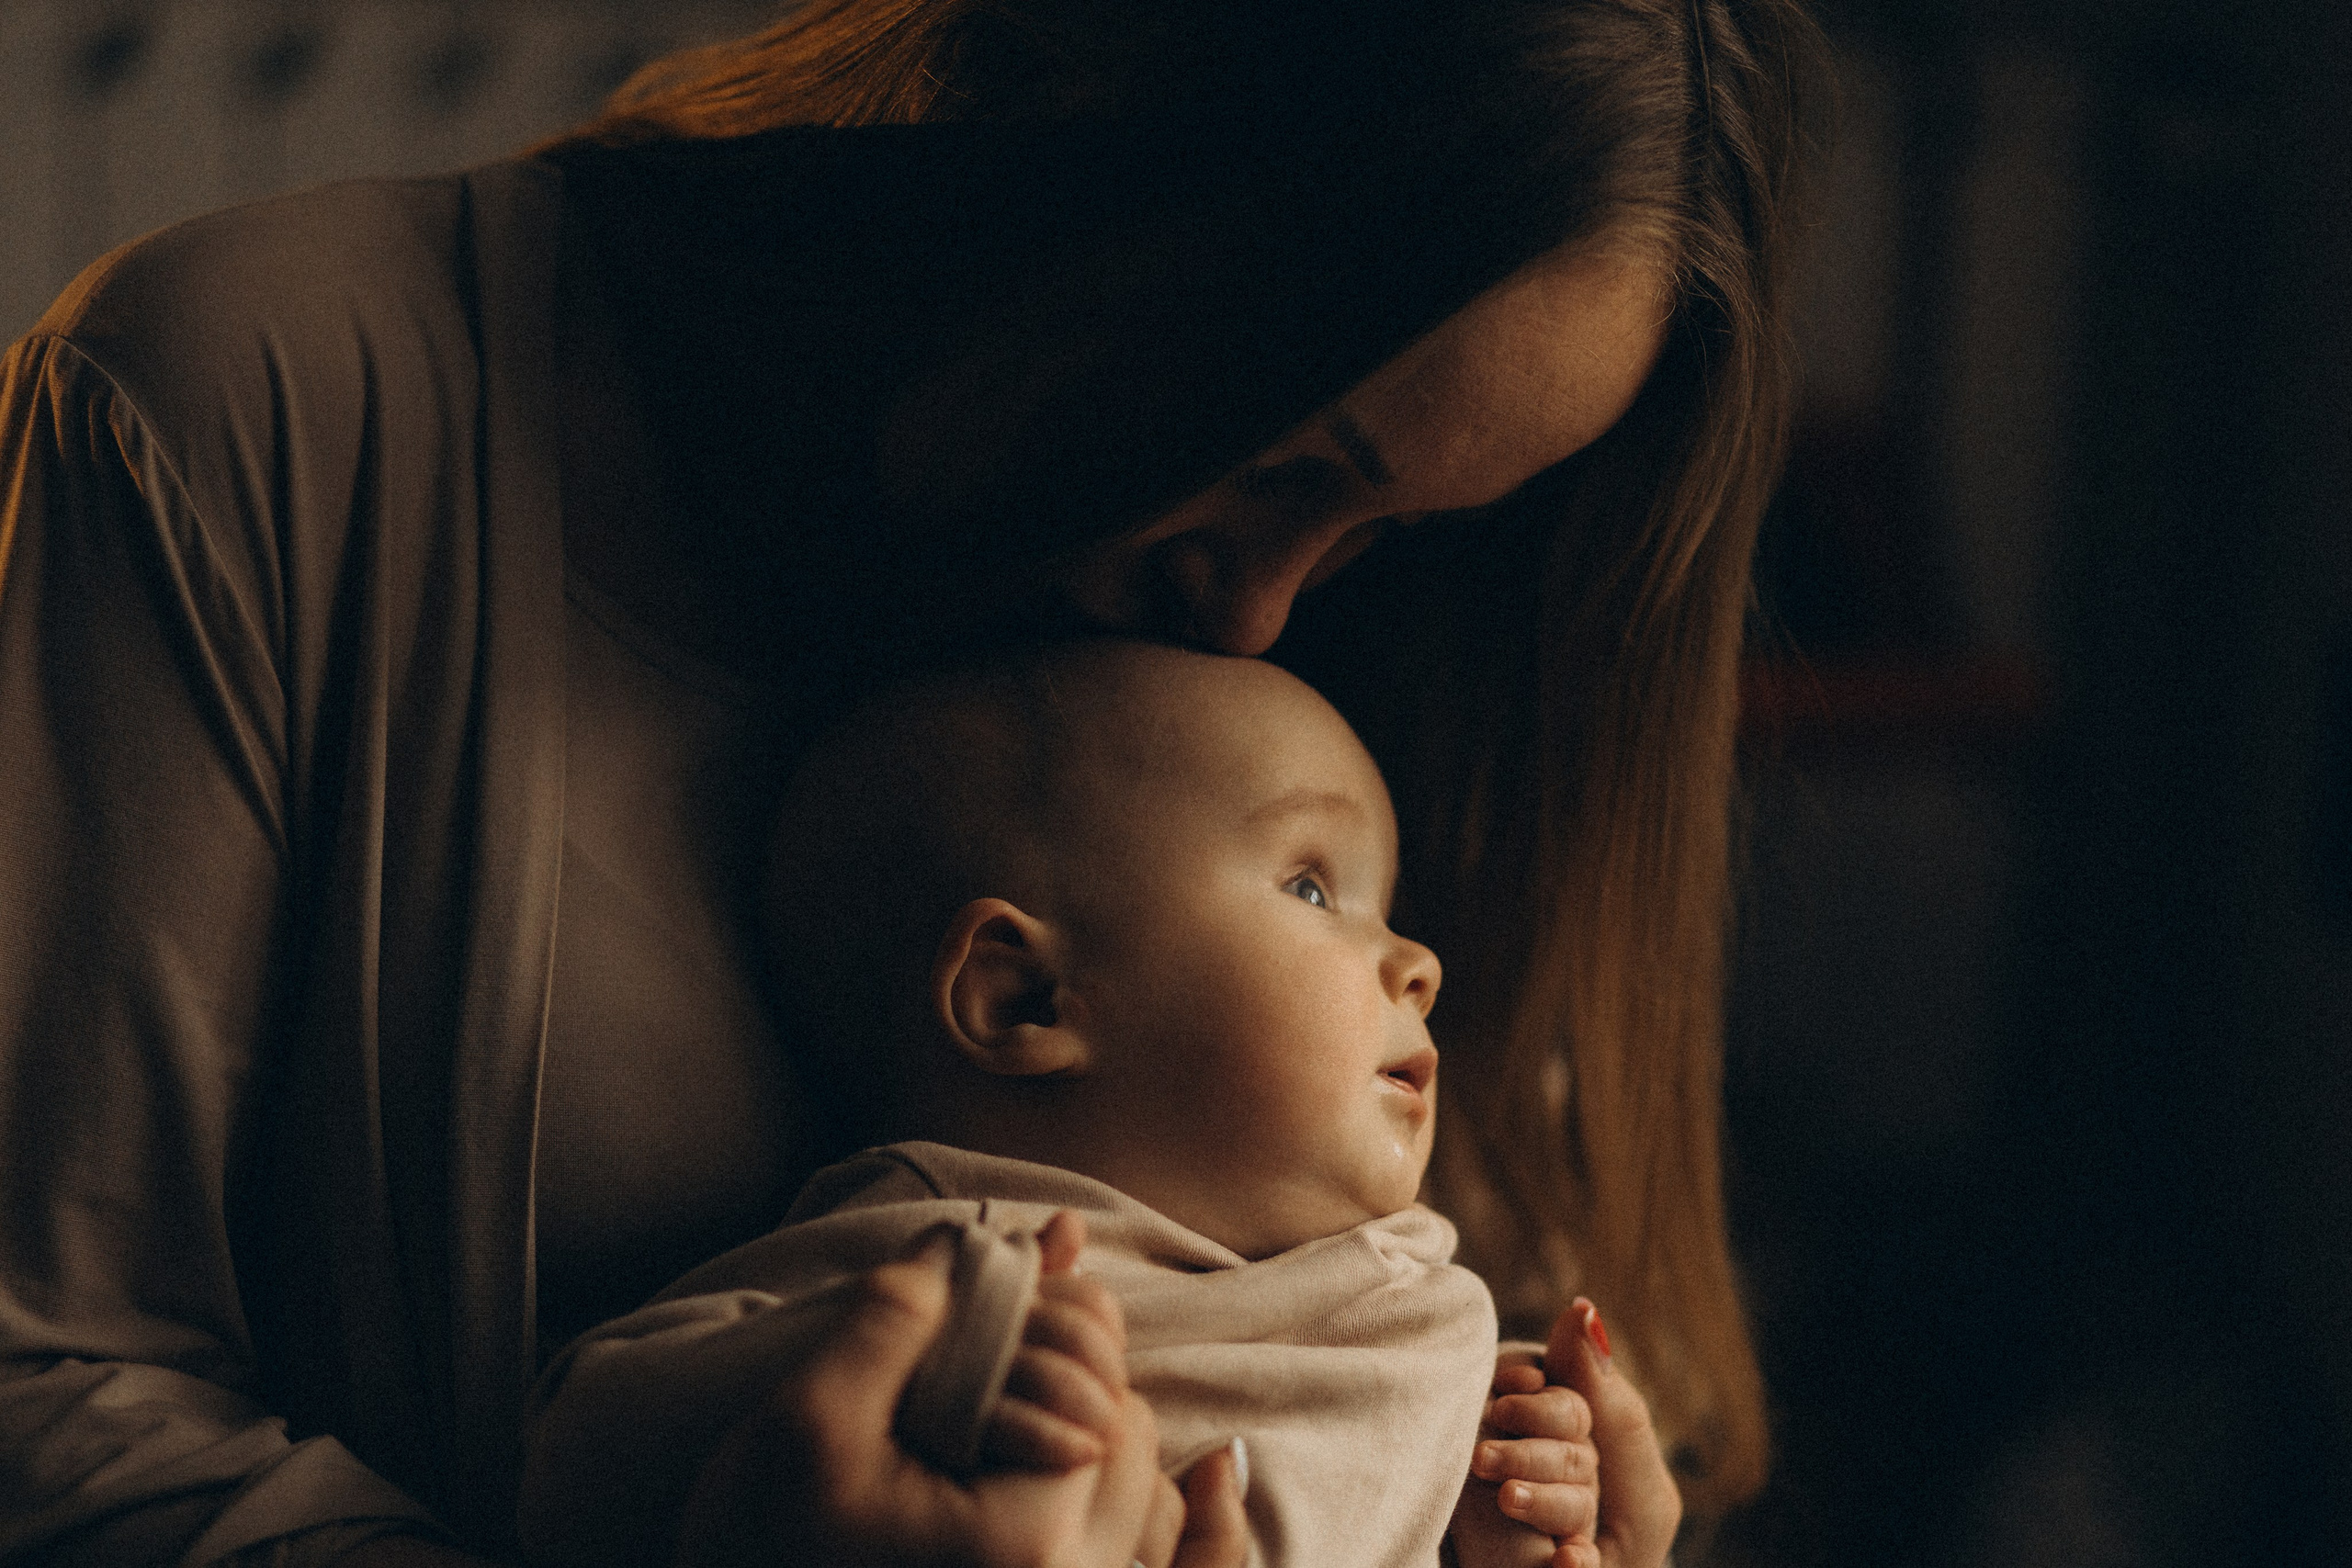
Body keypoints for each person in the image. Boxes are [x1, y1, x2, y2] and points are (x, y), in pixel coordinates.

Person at [0, 2, 1821, 1564]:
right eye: (1270, 458)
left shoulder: (1390, 657)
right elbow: (45, 1395)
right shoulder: (248, 405)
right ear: (1104, 155)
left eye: (1379, 531)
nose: (1257, 617)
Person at [516, 639, 1679, 1568]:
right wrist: (963, 1367)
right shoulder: (946, 1265)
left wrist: (1498, 1514)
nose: (1415, 959)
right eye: (1314, 886)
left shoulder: (1425, 1327)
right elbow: (576, 1442)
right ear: (1025, 997)